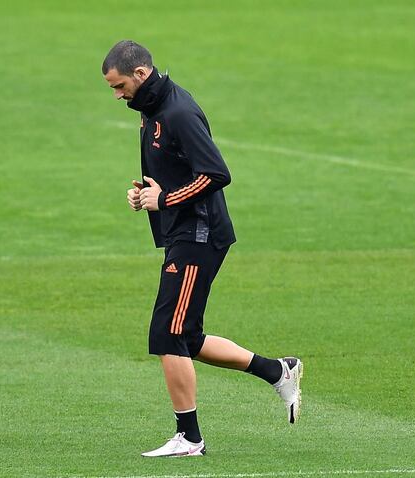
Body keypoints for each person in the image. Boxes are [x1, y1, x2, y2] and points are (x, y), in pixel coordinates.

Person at [102, 40, 302, 457]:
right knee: (187, 336)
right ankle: (278, 371)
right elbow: (170, 170)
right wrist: (147, 194)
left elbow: (215, 173)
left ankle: (190, 438)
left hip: (199, 235)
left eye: (120, 86)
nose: (117, 95)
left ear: (141, 74)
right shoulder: (150, 109)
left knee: (168, 333)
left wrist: (167, 200)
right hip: (183, 232)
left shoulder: (177, 111)